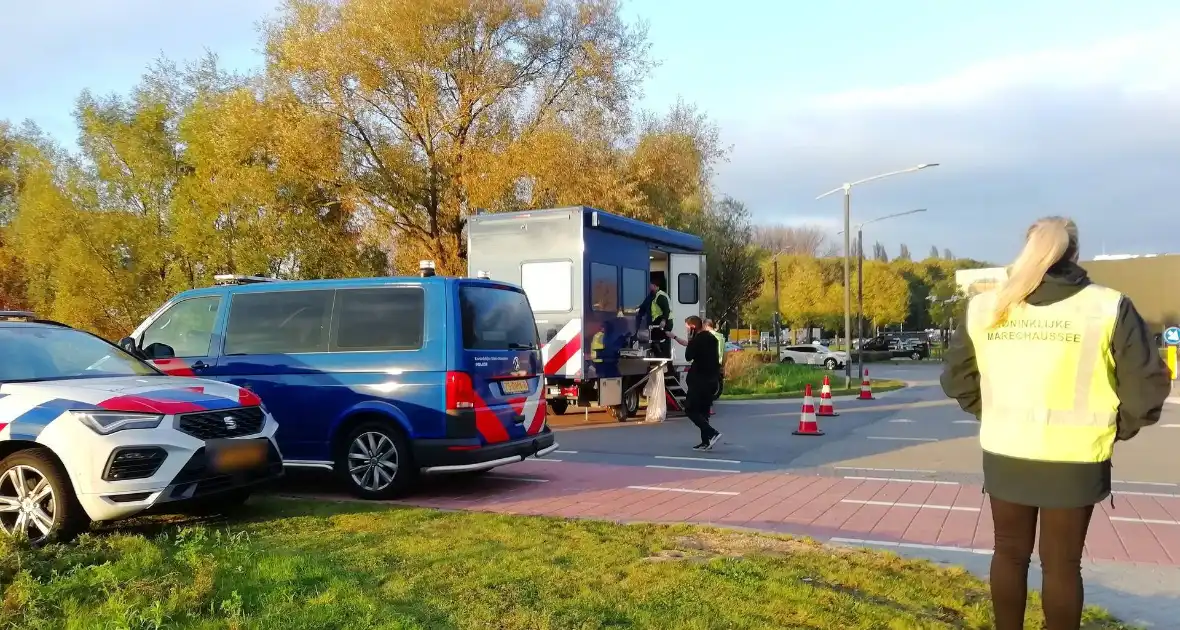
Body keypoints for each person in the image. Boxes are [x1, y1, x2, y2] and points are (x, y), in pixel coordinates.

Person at [941, 216, 1171, 630]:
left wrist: (992, 412)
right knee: (1062, 566)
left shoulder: (986, 307)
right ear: (1075, 254)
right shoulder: (1107, 305)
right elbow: (1148, 383)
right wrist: (1117, 426)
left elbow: (957, 378)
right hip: (1076, 458)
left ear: (1027, 250)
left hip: (1007, 450)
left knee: (1008, 553)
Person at [670, 316, 722, 450]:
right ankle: (706, 441)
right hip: (711, 380)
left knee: (690, 409)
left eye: (687, 328)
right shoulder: (712, 338)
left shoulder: (696, 340)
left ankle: (712, 433)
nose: (687, 331)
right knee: (703, 410)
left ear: (692, 328)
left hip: (699, 380)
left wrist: (690, 339)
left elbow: (688, 356)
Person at [637, 275, 672, 359]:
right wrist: (638, 309)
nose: (649, 286)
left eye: (650, 285)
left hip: (665, 322)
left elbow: (666, 310)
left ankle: (663, 357)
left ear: (655, 286)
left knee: (661, 341)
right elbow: (645, 304)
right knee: (654, 340)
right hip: (656, 322)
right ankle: (659, 356)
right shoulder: (652, 295)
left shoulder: (661, 296)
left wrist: (663, 321)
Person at [704, 319, 726, 415]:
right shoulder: (720, 337)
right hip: (718, 363)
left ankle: (708, 408)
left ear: (706, 326)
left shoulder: (710, 336)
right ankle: (709, 407)